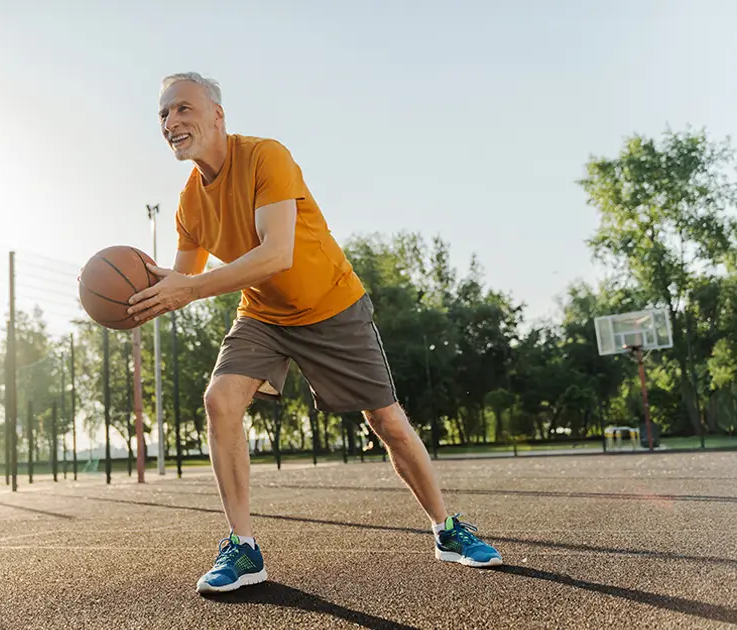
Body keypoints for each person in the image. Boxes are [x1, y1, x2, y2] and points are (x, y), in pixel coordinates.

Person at [127, 72, 503, 595]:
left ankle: (447, 529)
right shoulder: (190, 203)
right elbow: (184, 278)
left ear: (217, 115)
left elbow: (274, 254)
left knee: (388, 422)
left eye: (183, 109)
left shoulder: (265, 157)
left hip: (331, 304)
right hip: (263, 315)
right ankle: (244, 548)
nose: (171, 122)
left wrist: (188, 289)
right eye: (163, 114)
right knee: (220, 400)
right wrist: (146, 294)